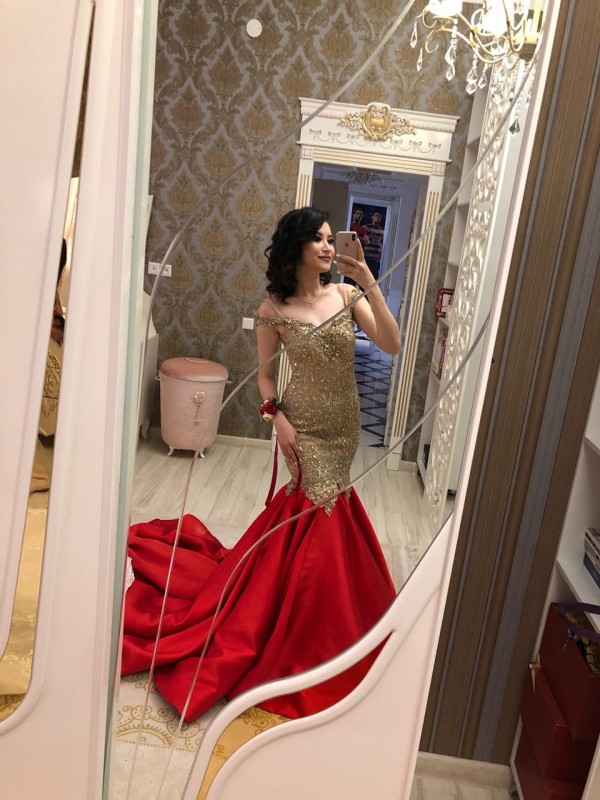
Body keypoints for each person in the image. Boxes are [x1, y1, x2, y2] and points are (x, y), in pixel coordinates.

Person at [121, 207, 401, 722]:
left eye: (330, 239)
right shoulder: (272, 309)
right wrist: (279, 421)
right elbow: (267, 380)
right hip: (302, 427)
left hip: (344, 428)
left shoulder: (347, 296)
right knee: (319, 516)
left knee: (318, 513)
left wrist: (370, 284)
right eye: (318, 239)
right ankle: (312, 632)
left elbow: (392, 344)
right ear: (296, 246)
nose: (328, 246)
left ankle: (303, 607)